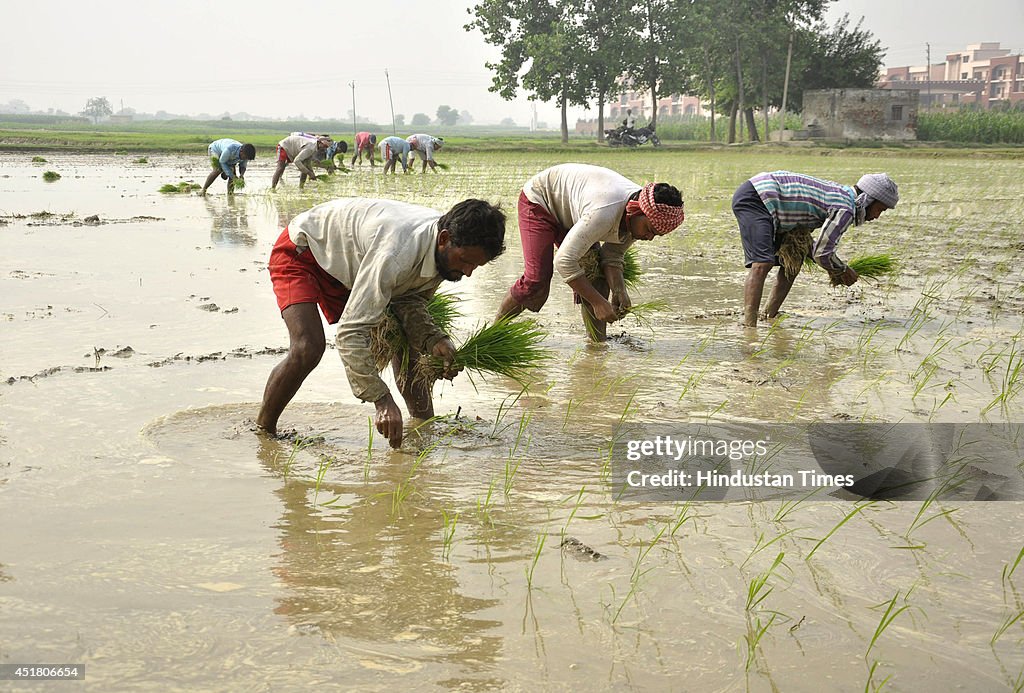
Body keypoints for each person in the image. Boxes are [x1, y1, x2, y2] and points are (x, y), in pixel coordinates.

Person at [256, 197, 507, 448]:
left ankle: (423, 426)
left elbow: (408, 300)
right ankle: (263, 433)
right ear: (444, 239)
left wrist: (433, 339)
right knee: (307, 347)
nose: (468, 272)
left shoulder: (444, 256)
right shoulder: (397, 253)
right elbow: (350, 332)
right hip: (304, 250)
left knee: (403, 340)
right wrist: (381, 399)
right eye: (465, 260)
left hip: (353, 265)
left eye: (476, 265)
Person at [494, 163, 685, 341]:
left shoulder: (640, 217)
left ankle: (597, 344)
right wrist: (598, 303)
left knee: (595, 274)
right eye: (649, 230)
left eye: (656, 235)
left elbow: (612, 255)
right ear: (637, 210)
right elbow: (564, 262)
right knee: (536, 280)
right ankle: (494, 332)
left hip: (576, 210)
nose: (649, 237)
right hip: (541, 200)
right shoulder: (605, 212)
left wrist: (619, 290)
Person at [733, 171, 899, 327]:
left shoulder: (842, 196)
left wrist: (835, 268)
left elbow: (817, 250)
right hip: (757, 198)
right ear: (867, 200)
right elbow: (822, 253)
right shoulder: (845, 208)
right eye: (880, 209)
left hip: (775, 205)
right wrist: (841, 270)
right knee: (762, 264)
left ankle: (769, 316)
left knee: (793, 261)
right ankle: (749, 327)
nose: (877, 216)